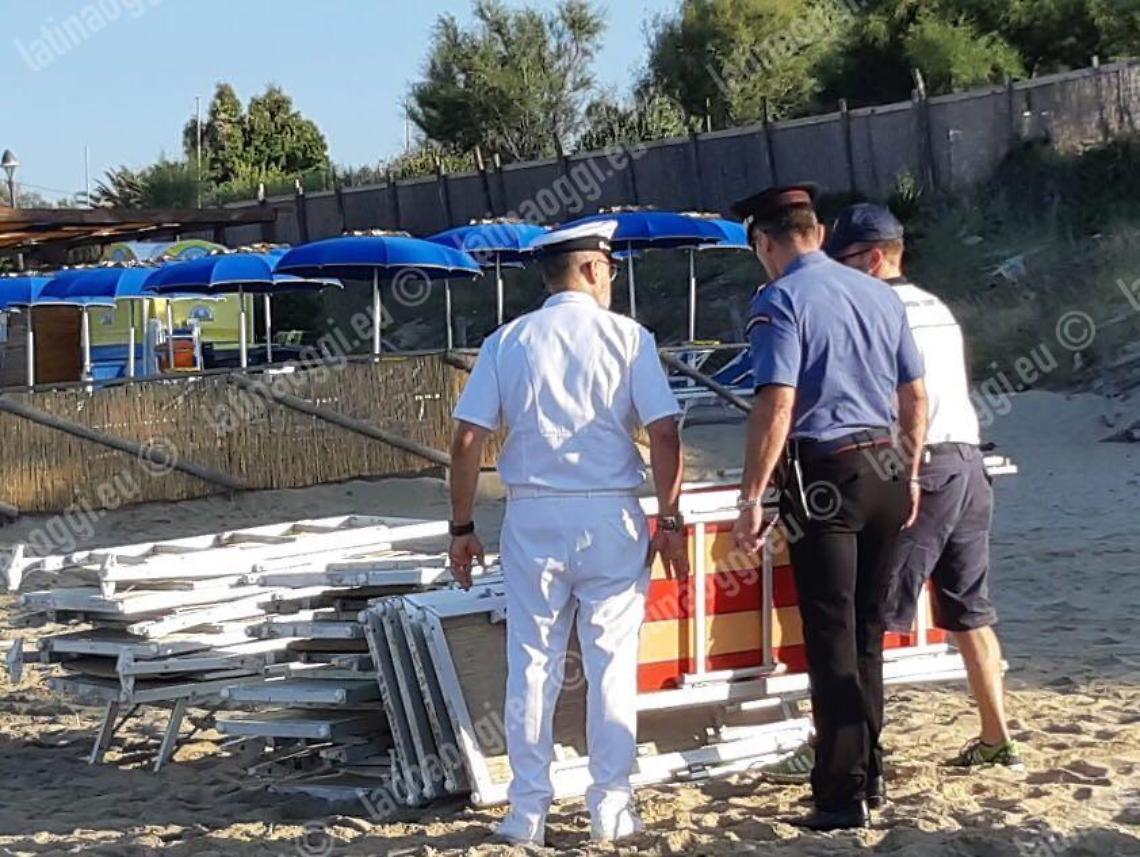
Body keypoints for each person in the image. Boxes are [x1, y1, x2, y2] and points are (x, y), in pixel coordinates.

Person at [447, 220, 689, 847]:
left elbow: (468, 437)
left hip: (533, 512)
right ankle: (611, 804)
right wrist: (669, 517)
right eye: (607, 268)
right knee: (611, 663)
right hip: (610, 510)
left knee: (530, 665)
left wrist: (462, 525)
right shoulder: (629, 338)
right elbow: (664, 431)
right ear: (590, 269)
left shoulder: (509, 339)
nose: (611, 279)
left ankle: (528, 809)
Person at [730, 185, 928, 831]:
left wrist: (752, 495)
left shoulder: (780, 298)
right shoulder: (878, 292)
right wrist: (912, 468)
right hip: (888, 466)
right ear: (816, 229)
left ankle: (842, 793)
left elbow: (777, 402)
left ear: (766, 241)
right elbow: (916, 396)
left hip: (828, 471)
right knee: (869, 630)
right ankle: (870, 771)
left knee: (831, 633)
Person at [826, 202, 1023, 770]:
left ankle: (854, 744)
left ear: (876, 257)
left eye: (847, 261)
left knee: (870, 616)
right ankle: (996, 736)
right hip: (967, 461)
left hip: (923, 464)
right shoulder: (937, 306)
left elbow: (891, 399)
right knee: (970, 613)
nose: (841, 273)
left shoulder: (877, 309)